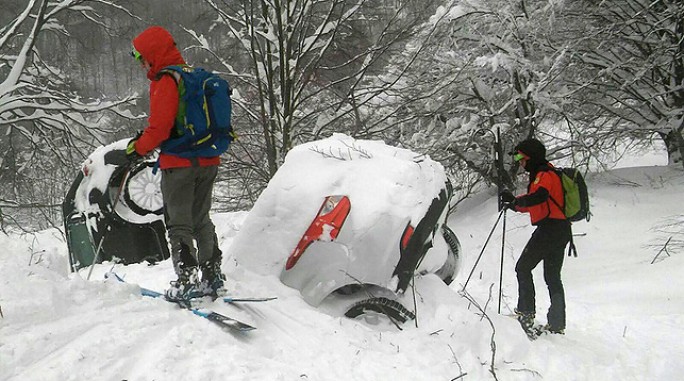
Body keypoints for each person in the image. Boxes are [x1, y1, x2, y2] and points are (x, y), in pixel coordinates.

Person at [126, 26, 226, 301]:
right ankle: (212, 276)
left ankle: (187, 280)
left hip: (179, 164)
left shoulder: (166, 80)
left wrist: (136, 149)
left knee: (179, 223)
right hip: (208, 160)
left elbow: (159, 129)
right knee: (201, 219)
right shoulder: (193, 76)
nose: (141, 64)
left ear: (152, 54)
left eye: (142, 58)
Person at [500, 138, 571, 336]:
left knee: (522, 268)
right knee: (552, 277)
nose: (520, 162)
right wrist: (515, 205)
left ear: (531, 157)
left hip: (550, 230)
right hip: (561, 229)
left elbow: (539, 196)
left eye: (522, 158)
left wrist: (515, 201)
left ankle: (526, 314)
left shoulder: (543, 175)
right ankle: (557, 324)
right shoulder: (548, 172)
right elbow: (540, 203)